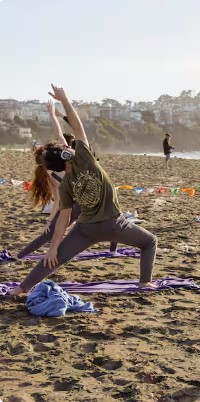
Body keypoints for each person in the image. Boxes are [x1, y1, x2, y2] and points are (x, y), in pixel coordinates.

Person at [8, 84, 157, 296]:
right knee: (150, 242)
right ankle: (145, 283)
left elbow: (64, 219)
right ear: (65, 153)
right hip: (115, 224)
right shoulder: (86, 159)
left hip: (86, 229)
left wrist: (53, 248)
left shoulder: (65, 184)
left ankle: (21, 287)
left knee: (56, 258)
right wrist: (64, 99)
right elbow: (77, 126)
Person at [16, 101, 117, 259]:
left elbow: (58, 201)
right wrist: (53, 115)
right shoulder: (66, 158)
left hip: (76, 204)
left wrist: (50, 222)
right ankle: (112, 251)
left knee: (49, 234)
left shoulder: (52, 172)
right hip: (90, 200)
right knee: (114, 221)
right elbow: (61, 133)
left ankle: (20, 256)